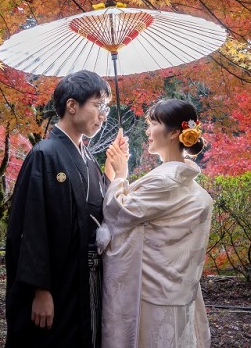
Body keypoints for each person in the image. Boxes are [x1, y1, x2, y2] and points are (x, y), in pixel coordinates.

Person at [5, 70, 117, 348]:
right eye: (98, 105)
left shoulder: (89, 159)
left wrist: (114, 176)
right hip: (55, 281)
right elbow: (31, 227)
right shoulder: (44, 154)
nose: (104, 115)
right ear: (72, 105)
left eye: (107, 108)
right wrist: (40, 290)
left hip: (85, 279)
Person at [100, 99, 213, 348]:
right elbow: (133, 209)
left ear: (173, 132)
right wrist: (114, 170)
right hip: (175, 293)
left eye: (153, 124)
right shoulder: (182, 182)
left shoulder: (166, 181)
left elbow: (118, 214)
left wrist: (121, 175)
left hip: (152, 297)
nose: (147, 131)